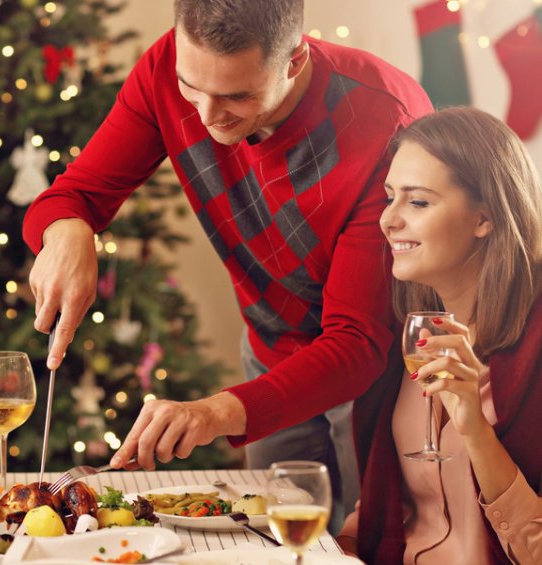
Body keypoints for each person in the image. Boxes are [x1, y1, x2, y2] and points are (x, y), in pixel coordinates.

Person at [23, 0, 432, 526]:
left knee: (367, 540)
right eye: (192, 88)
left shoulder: (386, 126)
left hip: (379, 370)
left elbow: (357, 342)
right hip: (268, 350)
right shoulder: (166, 70)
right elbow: (74, 194)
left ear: (295, 60)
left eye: (237, 96)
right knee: (272, 538)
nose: (206, 117)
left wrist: (215, 412)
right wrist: (68, 230)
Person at [338, 107, 542, 564]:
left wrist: (475, 428)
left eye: (418, 201)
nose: (388, 219)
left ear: (485, 219)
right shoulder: (408, 333)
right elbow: (391, 503)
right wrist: (342, 548)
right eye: (390, 197)